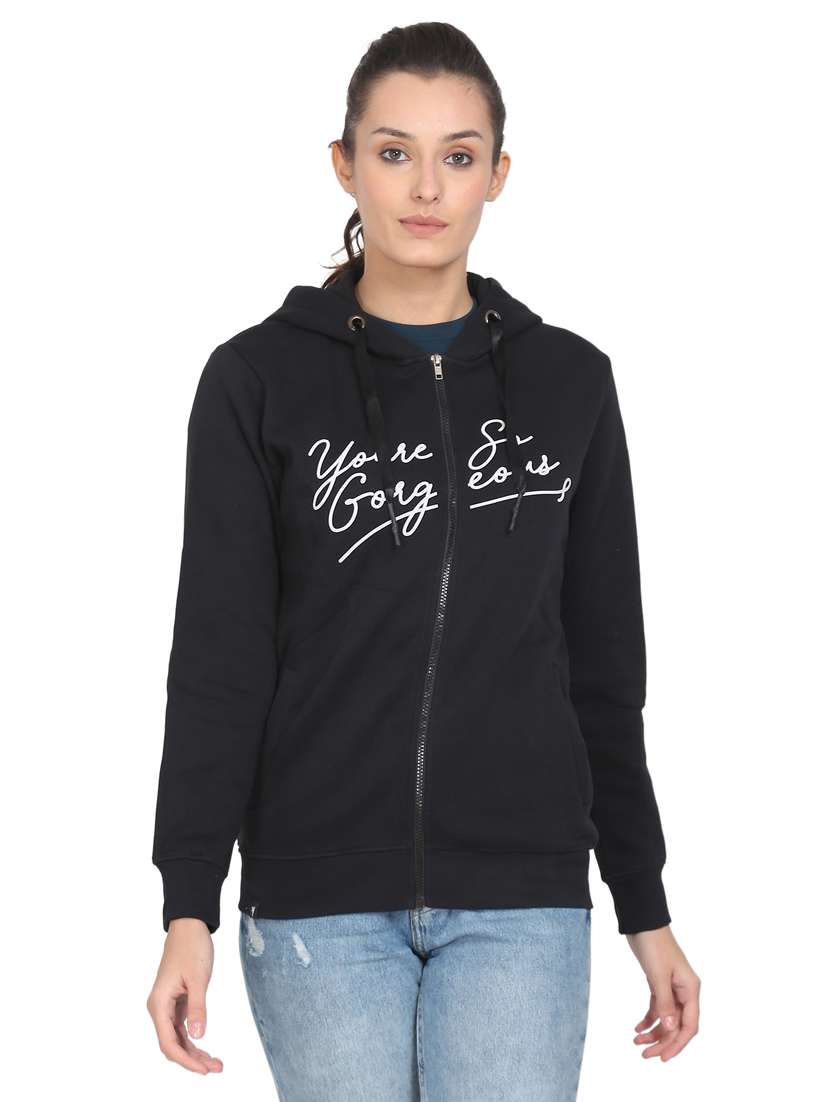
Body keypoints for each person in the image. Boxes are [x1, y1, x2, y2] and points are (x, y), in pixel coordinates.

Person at [146, 20, 700, 1101]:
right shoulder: (256, 382)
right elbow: (217, 662)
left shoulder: (569, 383)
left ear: (499, 173)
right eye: (394, 151)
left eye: (458, 154)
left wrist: (645, 904)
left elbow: (602, 670)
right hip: (316, 901)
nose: (426, 187)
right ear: (343, 163)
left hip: (523, 897)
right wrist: (186, 905)